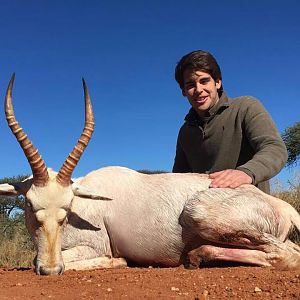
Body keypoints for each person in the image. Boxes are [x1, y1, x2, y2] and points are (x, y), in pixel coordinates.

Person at [172, 50, 288, 194]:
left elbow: (275, 149)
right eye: (190, 85)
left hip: (250, 207)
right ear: (183, 91)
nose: (198, 90)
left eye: (204, 81)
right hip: (206, 212)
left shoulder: (246, 106)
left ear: (218, 82)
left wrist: (246, 173)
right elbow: (179, 178)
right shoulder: (185, 132)